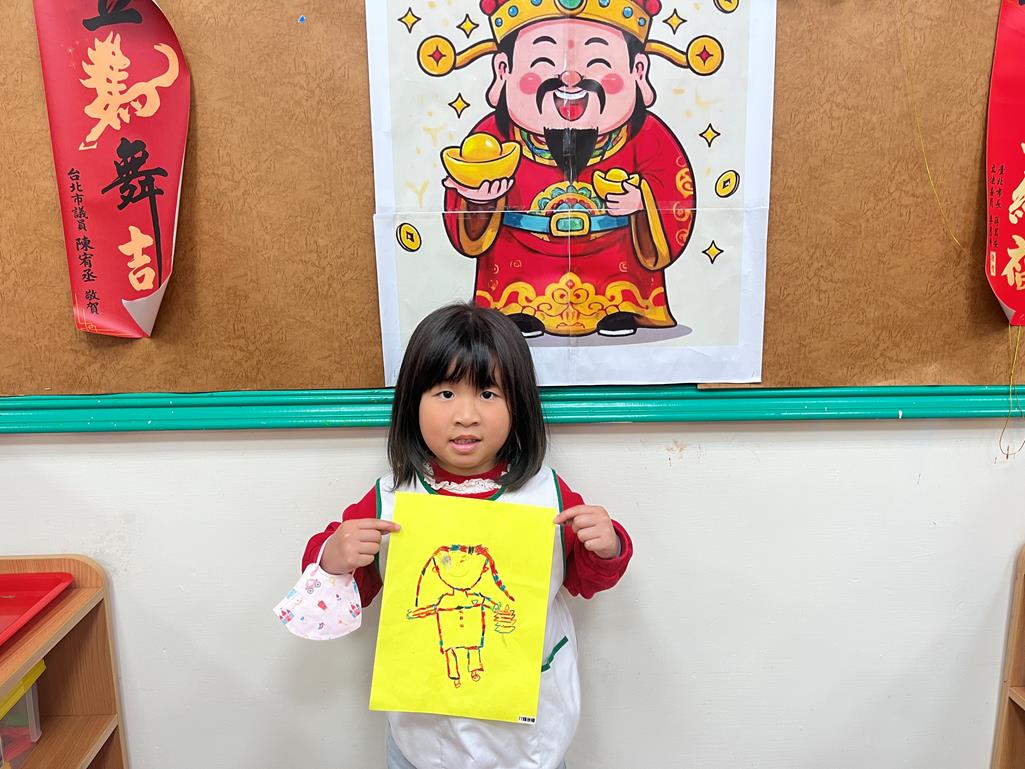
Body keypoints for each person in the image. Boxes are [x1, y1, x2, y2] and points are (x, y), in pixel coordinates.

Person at [300, 303, 633, 769]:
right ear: (412, 401)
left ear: (519, 404)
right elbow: (344, 590)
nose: (466, 415)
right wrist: (333, 558)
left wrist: (608, 545)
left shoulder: (546, 494)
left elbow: (585, 578)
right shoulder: (391, 499)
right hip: (423, 740)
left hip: (527, 739)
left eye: (489, 393)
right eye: (445, 393)